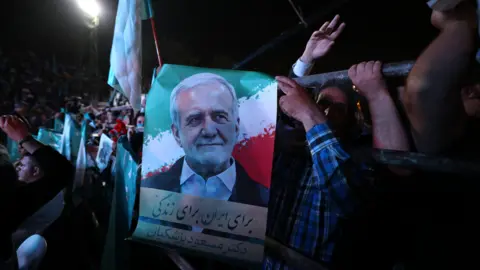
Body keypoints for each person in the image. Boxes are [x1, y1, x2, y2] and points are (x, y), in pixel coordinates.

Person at [142, 73, 268, 208]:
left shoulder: (266, 198)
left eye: (219, 116)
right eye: (195, 119)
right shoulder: (148, 190)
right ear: (177, 133)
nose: (209, 131)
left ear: (236, 127)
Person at [0, 115, 74, 269]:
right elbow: (62, 171)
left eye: (20, 165)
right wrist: (24, 138)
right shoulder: (10, 203)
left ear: (36, 171)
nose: (17, 166)